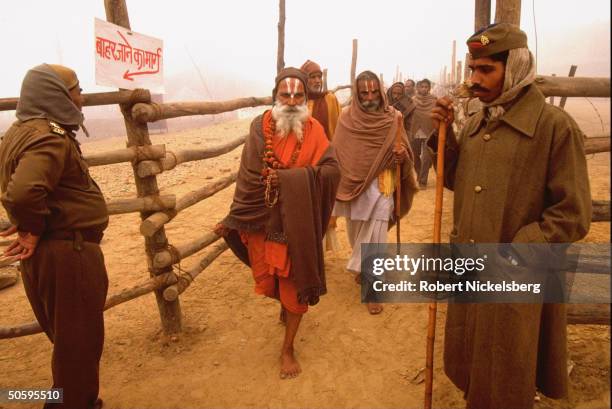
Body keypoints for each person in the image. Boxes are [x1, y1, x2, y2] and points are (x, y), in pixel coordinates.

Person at [429, 23, 592, 409]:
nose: (475, 80)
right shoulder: (475, 124)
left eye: (486, 70)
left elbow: (572, 214)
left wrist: (516, 253)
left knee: (508, 368)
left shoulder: (554, 128)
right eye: (473, 70)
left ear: (514, 66)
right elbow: (458, 181)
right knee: (476, 360)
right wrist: (444, 139)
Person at [215, 67, 339, 379]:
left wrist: (289, 181)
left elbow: (332, 170)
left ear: (306, 99)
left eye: (299, 95)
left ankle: (287, 348)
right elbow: (247, 176)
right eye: (286, 94)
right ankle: (282, 304)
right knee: (268, 281)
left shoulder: (315, 130)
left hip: (297, 224)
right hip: (262, 220)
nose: (293, 100)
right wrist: (235, 218)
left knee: (295, 287)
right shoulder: (260, 127)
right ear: (276, 96)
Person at [0, 64, 108, 409]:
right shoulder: (49, 136)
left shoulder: (19, 132)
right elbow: (23, 193)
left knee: (68, 345)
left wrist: (31, 225)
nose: (80, 97)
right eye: (76, 90)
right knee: (78, 348)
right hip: (67, 254)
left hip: (53, 254)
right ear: (57, 95)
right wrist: (31, 229)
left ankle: (63, 399)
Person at [332, 71, 418, 315]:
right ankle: (361, 268)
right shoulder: (346, 118)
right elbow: (339, 154)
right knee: (356, 233)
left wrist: (403, 157)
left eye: (373, 92)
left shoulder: (394, 118)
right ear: (357, 95)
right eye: (363, 93)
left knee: (376, 235)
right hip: (353, 187)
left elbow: (406, 151)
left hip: (383, 185)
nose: (369, 97)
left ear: (381, 91)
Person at [300, 59, 342, 141]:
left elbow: (341, 128)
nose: (318, 81)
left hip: (329, 151)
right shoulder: (299, 103)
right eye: (313, 77)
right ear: (304, 80)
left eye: (319, 77)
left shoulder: (330, 99)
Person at [410, 78, 437, 188]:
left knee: (427, 157)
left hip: (429, 131)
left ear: (429, 88)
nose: (424, 89)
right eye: (422, 87)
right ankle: (419, 173)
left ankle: (422, 181)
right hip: (415, 131)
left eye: (426, 87)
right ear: (418, 88)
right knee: (415, 155)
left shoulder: (434, 100)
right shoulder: (413, 100)